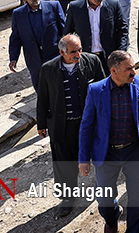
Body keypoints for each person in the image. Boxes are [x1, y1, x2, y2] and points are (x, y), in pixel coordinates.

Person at [79, 50, 139, 233]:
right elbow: (86, 126)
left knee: (137, 198)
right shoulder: (95, 91)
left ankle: (133, 230)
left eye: (133, 67)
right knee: (105, 200)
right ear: (113, 71)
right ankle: (112, 217)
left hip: (135, 151)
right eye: (128, 69)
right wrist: (83, 158)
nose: (133, 72)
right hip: (107, 153)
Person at [36, 33, 107, 217]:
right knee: (64, 163)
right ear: (62, 52)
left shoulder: (92, 62)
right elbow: (43, 98)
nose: (78, 54)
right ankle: (67, 198)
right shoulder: (48, 69)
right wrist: (41, 123)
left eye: (80, 49)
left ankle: (104, 191)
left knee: (100, 157)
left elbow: (105, 91)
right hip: (62, 126)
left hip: (89, 124)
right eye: (74, 52)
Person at [9, 0, 66, 91]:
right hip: (34, 59)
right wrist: (13, 58)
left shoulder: (53, 6)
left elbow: (64, 30)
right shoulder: (18, 14)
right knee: (41, 88)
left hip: (54, 55)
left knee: (59, 86)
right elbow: (15, 38)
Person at [64, 0, 128, 71]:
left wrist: (121, 51)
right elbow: (68, 33)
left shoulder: (113, 5)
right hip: (85, 57)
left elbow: (123, 29)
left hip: (108, 57)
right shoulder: (75, 8)